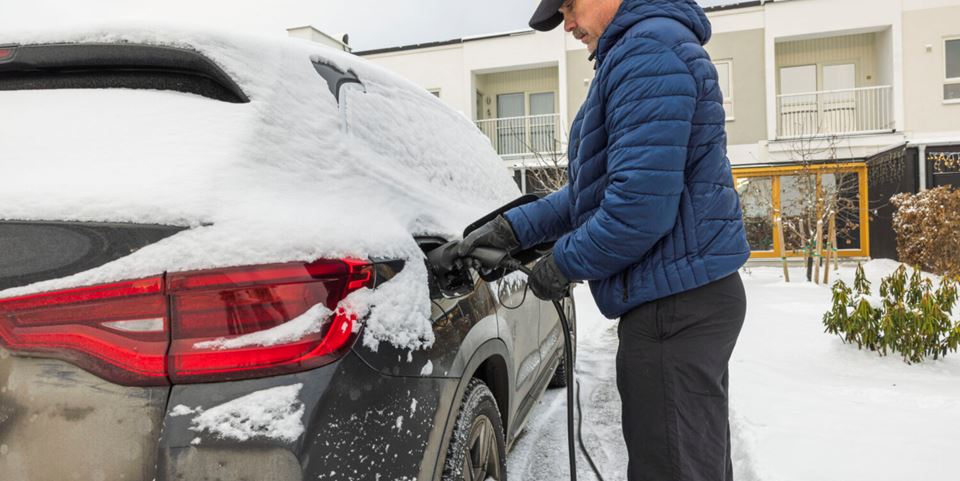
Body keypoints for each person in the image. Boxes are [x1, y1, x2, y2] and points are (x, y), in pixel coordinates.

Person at [458, 0, 751, 480]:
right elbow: (594, 191)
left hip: (673, 310)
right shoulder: (644, 48)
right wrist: (513, 230)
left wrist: (560, 265)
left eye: (570, 6)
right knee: (691, 463)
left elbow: (638, 207)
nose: (568, 24)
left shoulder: (647, 52)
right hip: (684, 298)